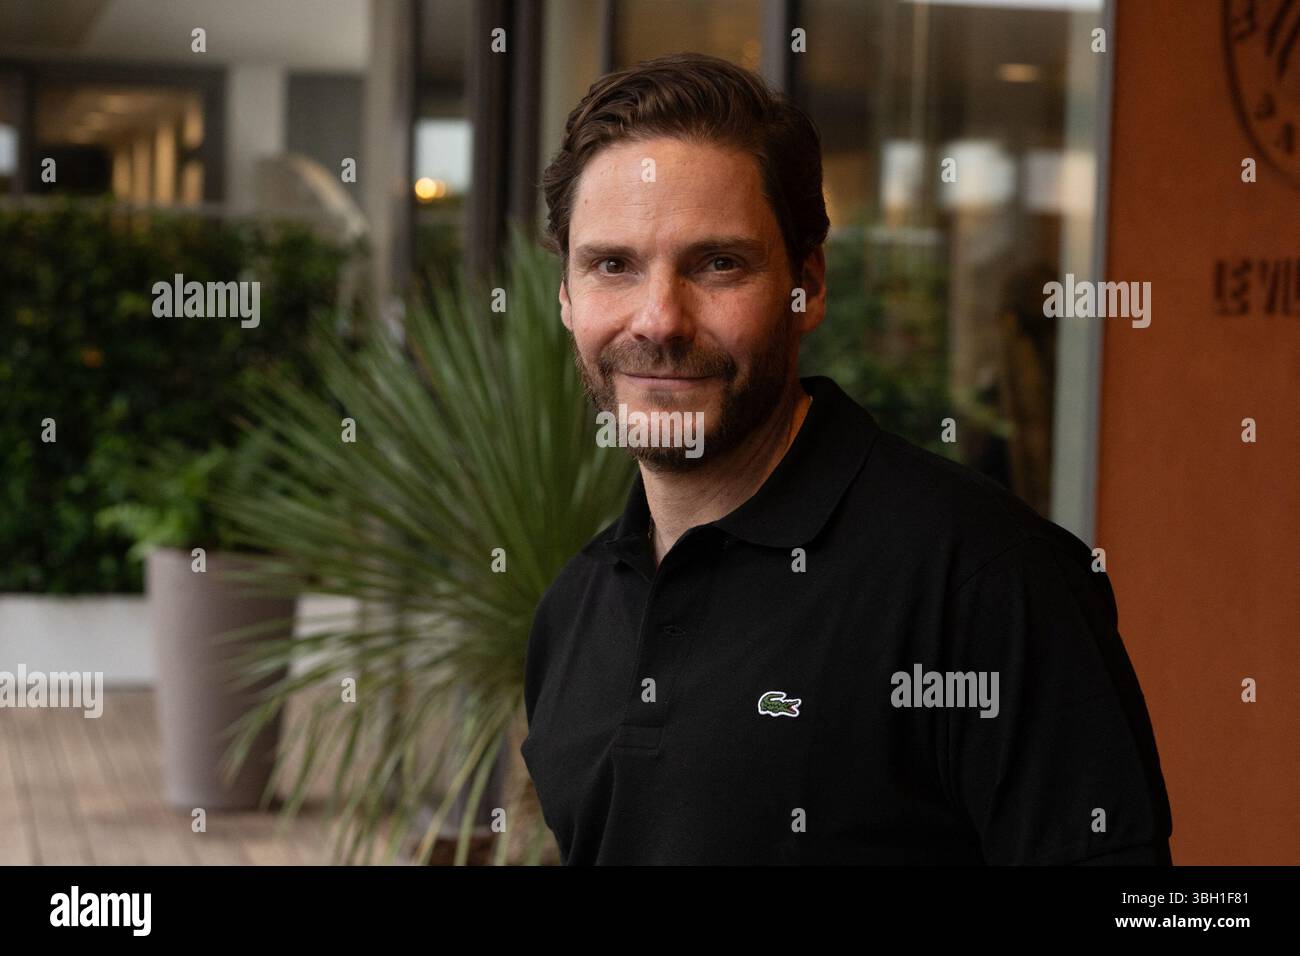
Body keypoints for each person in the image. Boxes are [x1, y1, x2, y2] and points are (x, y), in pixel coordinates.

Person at [520, 52, 1172, 865]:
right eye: (613, 265)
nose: (660, 320)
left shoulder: (987, 584)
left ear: (809, 284)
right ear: (567, 299)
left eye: (718, 263)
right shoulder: (572, 614)